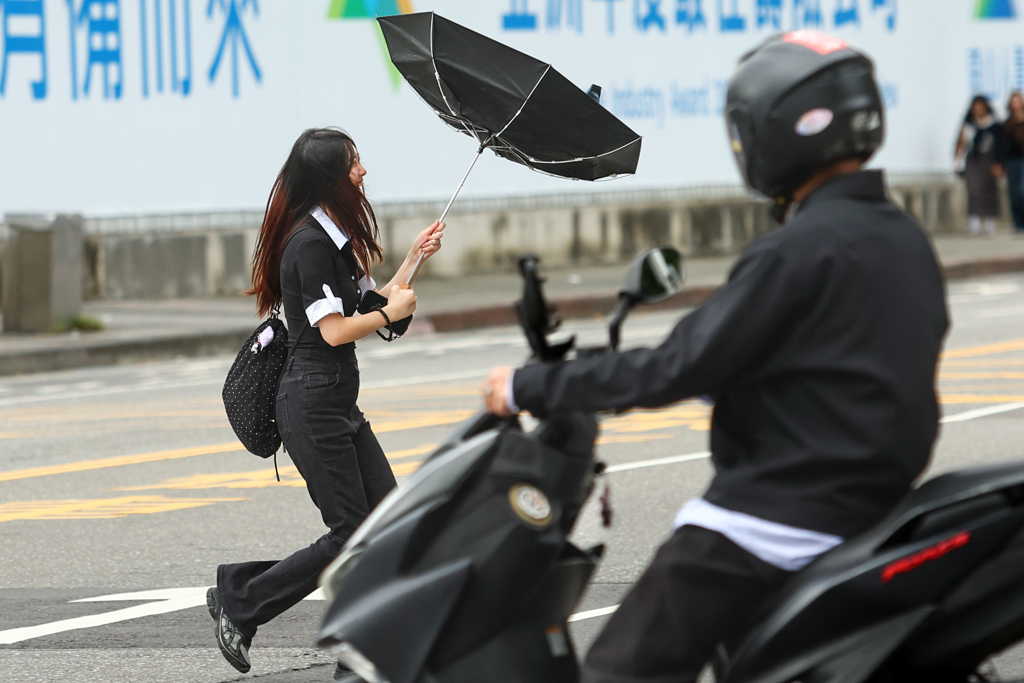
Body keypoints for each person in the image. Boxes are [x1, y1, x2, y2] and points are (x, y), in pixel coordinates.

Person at [482, 32, 948, 683]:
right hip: (874, 508)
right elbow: (840, 358)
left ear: (772, 132)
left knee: (619, 671)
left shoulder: (797, 251)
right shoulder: (905, 240)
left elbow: (675, 366)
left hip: (774, 517)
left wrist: (529, 385)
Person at [206, 127, 444, 681]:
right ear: (331, 177)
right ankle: (244, 601)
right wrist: (389, 314)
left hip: (336, 403)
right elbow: (335, 330)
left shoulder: (335, 238)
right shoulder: (308, 244)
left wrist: (414, 259)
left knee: (385, 524)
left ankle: (352, 648)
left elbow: (370, 301)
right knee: (350, 533)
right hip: (311, 405)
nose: (363, 171)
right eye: (354, 163)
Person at [956, 95, 1005, 236]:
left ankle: (989, 221)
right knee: (973, 191)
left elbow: (1000, 146)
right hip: (973, 162)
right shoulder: (969, 126)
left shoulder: (994, 126)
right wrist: (957, 163)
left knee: (990, 190)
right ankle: (974, 220)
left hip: (989, 162)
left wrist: (999, 163)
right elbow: (960, 144)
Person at [1004, 91, 1024, 235]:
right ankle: (1018, 223)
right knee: (1014, 193)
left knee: (1022, 191)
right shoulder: (1008, 123)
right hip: (1013, 161)